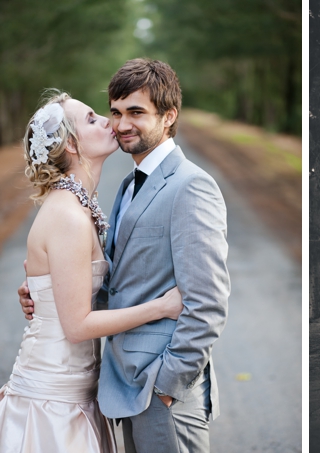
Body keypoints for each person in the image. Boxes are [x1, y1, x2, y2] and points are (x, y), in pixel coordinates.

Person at [19, 59, 229, 453]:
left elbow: (208, 303)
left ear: (169, 116)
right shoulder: (126, 187)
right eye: (114, 112)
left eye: (136, 112)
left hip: (161, 392)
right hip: (122, 387)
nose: (120, 124)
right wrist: (48, 292)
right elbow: (117, 286)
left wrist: (167, 388)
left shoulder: (191, 186)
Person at [0, 90, 184, 452]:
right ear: (71, 143)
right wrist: (162, 307)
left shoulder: (80, 207)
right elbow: (78, 326)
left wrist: (40, 289)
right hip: (53, 399)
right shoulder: (68, 215)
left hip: (77, 387)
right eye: (92, 119)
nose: (108, 121)